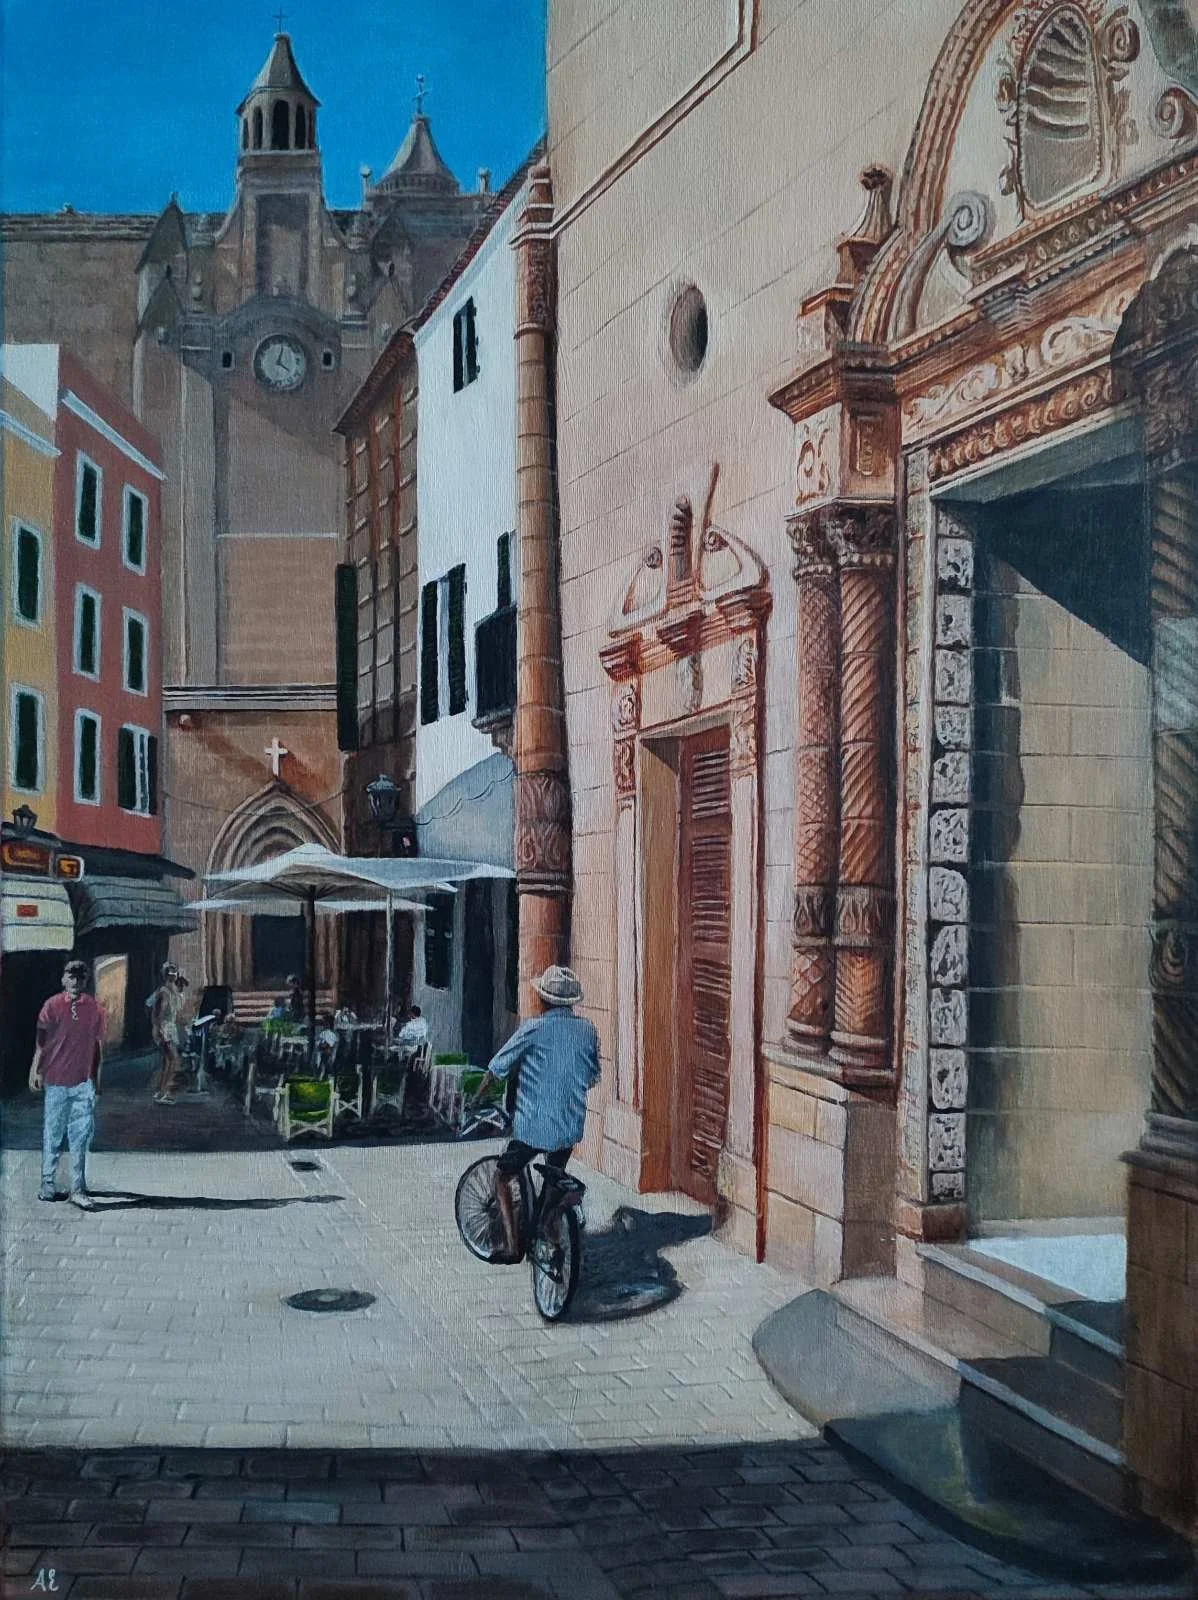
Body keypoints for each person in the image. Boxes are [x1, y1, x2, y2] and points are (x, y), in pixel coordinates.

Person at [472, 966, 600, 1262]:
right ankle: (550, 1224)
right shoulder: (587, 1030)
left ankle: (513, 1247)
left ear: (543, 1000)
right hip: (570, 1125)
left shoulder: (534, 1028)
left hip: (534, 1126)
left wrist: (477, 1098)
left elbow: (497, 1068)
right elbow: (593, 1076)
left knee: (502, 1177)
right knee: (554, 1177)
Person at [29, 959, 106, 1209]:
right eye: (71, 976)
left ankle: (77, 1188)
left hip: (83, 1082)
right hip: (56, 1080)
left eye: (80, 977)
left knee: (80, 1137)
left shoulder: (95, 1009)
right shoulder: (51, 1006)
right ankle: (47, 1184)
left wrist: (96, 1080)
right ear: (63, 979)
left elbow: (97, 1047)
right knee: (52, 1134)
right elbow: (41, 1042)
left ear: (85, 981)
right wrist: (36, 1069)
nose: (75, 981)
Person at [149, 963, 184, 1104]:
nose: (173, 976)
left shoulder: (174, 991)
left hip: (170, 1026)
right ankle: (164, 1092)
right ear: (165, 975)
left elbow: (177, 1010)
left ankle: (160, 1091)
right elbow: (157, 1012)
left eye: (174, 973)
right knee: (174, 1059)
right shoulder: (163, 991)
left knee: (167, 1061)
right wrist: (159, 1029)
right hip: (164, 1027)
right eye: (170, 974)